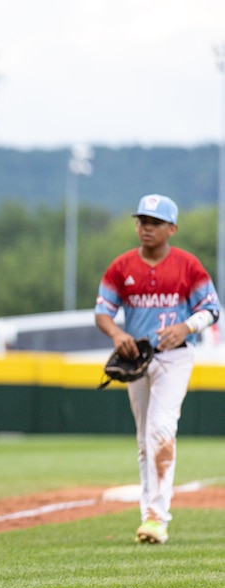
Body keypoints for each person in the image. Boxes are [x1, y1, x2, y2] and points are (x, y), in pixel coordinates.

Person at [95, 193, 220, 545]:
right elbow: (102, 311)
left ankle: (156, 517)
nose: (146, 227)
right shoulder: (121, 267)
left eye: (154, 222)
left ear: (172, 228)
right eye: (142, 221)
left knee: (161, 429)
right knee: (143, 438)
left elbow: (212, 308)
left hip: (175, 355)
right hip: (138, 357)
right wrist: (117, 333)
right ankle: (149, 514)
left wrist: (186, 326)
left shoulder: (187, 266)